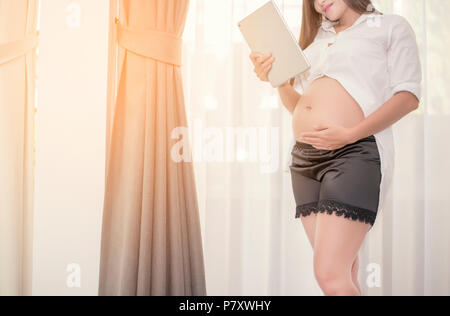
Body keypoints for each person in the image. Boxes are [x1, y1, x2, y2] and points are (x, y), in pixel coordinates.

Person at [249, 0, 422, 296]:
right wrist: (277, 80)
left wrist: (350, 134)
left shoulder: (391, 28)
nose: (319, 2)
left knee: (328, 274)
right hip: (304, 162)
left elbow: (408, 96)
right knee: (342, 271)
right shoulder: (317, 41)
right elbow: (300, 105)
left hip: (353, 153)